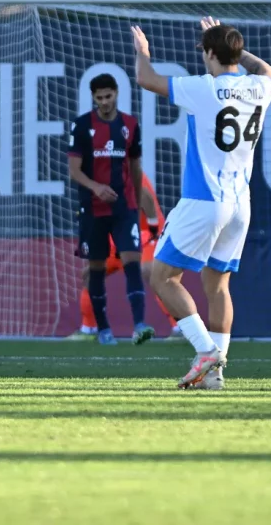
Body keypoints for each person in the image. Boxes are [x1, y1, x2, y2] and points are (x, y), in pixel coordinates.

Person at [132, 17, 271, 389]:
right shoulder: (259, 87)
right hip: (240, 205)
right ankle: (215, 375)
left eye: (206, 52)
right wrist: (234, 47)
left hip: (204, 200)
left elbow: (146, 79)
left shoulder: (205, 88)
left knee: (162, 277)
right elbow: (268, 70)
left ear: (211, 53)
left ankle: (205, 350)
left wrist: (143, 52)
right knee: (218, 287)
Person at [67, 74, 154, 345]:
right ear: (93, 98)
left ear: (116, 94)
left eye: (108, 96)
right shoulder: (82, 126)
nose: (104, 102)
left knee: (132, 261)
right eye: (99, 98)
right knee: (96, 267)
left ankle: (140, 325)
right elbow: (74, 171)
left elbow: (136, 167)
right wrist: (96, 187)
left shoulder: (129, 125)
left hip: (124, 207)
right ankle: (103, 329)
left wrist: (137, 201)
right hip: (93, 207)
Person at [67, 172, 182, 341]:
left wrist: (153, 227)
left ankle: (181, 328)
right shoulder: (95, 176)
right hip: (119, 237)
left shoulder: (121, 167)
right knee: (90, 274)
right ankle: (88, 329)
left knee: (152, 272)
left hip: (146, 234)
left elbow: (145, 195)